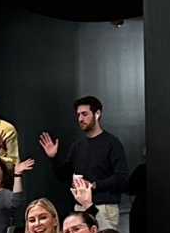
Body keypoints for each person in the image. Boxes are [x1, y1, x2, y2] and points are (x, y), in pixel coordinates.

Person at [52, 94, 131, 224]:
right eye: (78, 115)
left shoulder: (112, 143)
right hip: (80, 206)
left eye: (84, 114)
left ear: (97, 114)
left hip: (103, 206)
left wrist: (93, 185)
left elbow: (122, 178)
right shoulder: (78, 146)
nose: (80, 119)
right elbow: (63, 175)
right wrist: (53, 157)